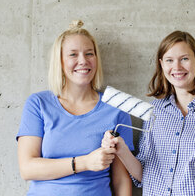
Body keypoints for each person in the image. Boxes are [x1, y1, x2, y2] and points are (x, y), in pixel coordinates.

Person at [102, 30, 195, 196]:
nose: (177, 67)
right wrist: (121, 149)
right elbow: (145, 176)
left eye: (184, 59)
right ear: (162, 64)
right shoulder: (156, 111)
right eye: (169, 60)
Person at [17, 20, 134, 196]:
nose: (83, 61)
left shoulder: (116, 109)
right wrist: (84, 163)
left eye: (89, 54)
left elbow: (121, 180)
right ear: (60, 62)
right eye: (73, 55)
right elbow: (27, 169)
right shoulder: (38, 104)